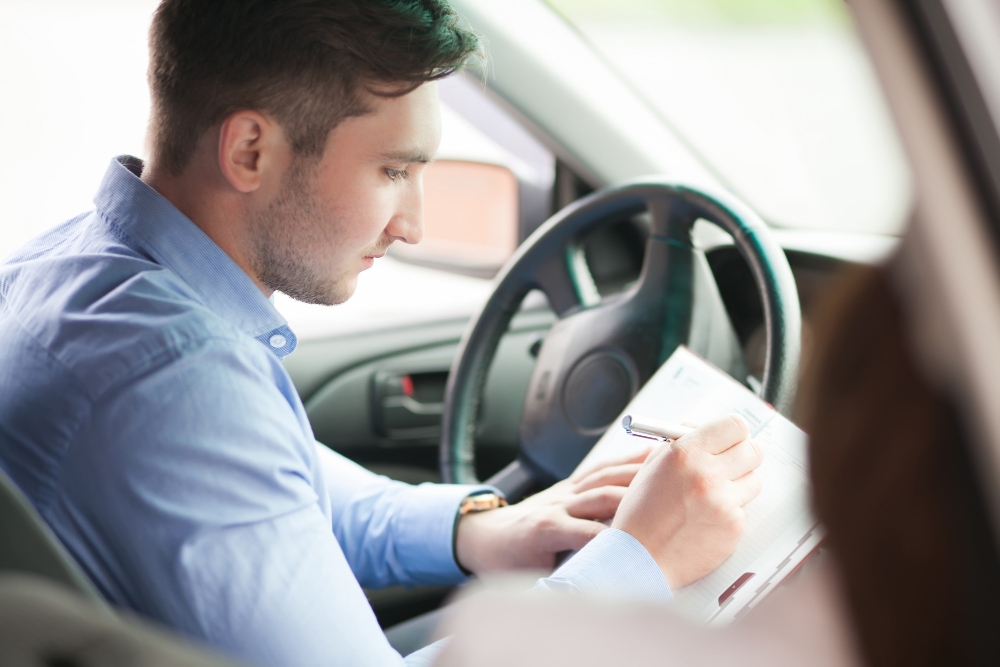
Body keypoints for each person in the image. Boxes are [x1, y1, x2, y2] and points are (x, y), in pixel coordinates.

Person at [0, 1, 764, 665]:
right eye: (395, 171)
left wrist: (480, 527)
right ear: (250, 151)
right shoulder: (174, 384)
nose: (414, 224)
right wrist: (642, 561)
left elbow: (283, 484)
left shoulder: (71, 265)